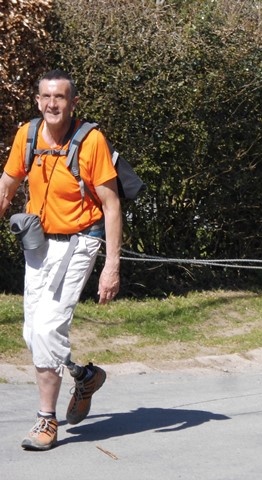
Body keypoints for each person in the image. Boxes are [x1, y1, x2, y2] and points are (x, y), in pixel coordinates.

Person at [0, 69, 122, 450]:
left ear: (73, 103)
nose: (53, 104)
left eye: (61, 97)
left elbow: (112, 204)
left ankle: (46, 421)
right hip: (38, 242)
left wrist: (112, 266)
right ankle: (83, 376)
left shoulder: (91, 141)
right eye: (47, 97)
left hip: (80, 241)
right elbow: (7, 183)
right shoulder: (28, 134)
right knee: (31, 333)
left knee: (47, 328)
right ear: (38, 101)